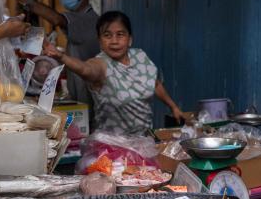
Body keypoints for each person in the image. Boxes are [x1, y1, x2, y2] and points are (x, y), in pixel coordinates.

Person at [43, 10, 185, 135]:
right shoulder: (101, 64)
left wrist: (173, 106)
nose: (114, 41)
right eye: (107, 35)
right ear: (100, 41)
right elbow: (86, 69)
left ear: (130, 40)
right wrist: (62, 57)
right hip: (111, 145)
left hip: (144, 139)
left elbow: (154, 83)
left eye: (120, 34)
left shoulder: (140, 56)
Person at [0, 0, 99, 111]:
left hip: (90, 103)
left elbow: (56, 18)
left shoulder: (88, 20)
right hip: (79, 99)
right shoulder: (77, 19)